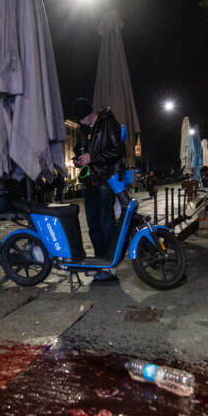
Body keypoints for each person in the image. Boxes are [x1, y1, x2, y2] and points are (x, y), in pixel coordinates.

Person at [70, 97, 125, 282]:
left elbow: (117, 150)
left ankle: (110, 265)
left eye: (81, 118)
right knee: (93, 225)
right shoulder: (84, 129)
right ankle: (100, 261)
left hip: (105, 180)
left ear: (89, 113)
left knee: (106, 223)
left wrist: (92, 158)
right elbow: (78, 149)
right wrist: (78, 159)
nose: (80, 122)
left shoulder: (107, 122)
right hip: (90, 182)